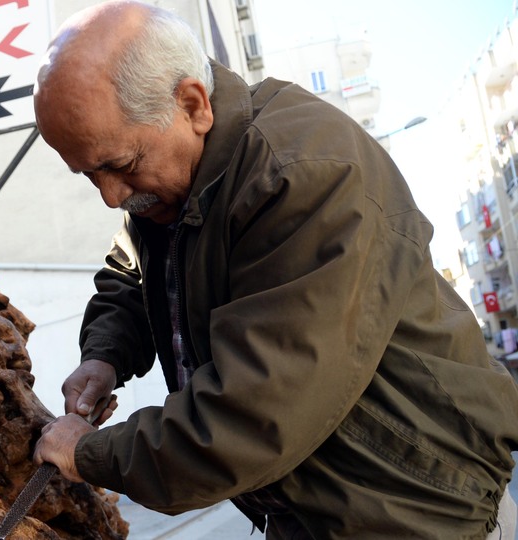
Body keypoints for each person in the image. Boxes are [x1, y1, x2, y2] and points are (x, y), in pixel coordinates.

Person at [30, 1, 518, 538]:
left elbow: (255, 414)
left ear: (192, 105)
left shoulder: (304, 176)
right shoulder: (171, 186)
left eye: (119, 166)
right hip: (313, 514)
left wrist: (93, 453)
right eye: (87, 174)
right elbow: (133, 269)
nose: (110, 196)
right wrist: (105, 354)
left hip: (420, 509)